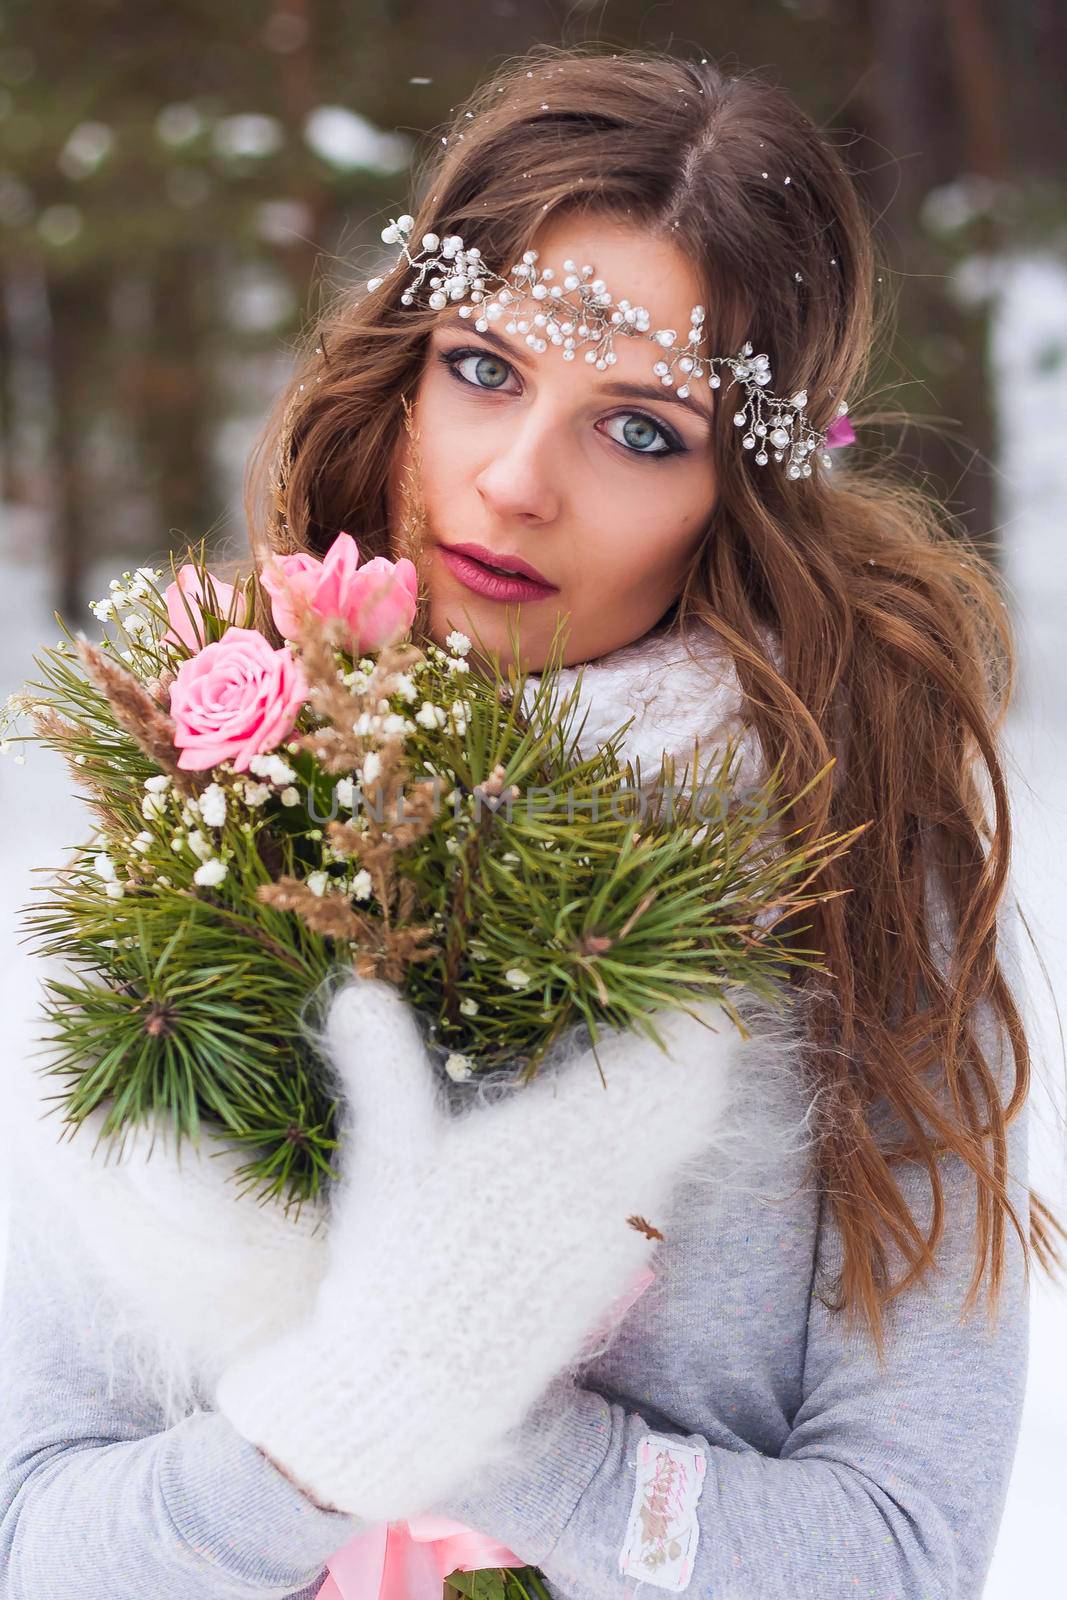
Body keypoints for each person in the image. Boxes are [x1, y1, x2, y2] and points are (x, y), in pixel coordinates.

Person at [2, 42, 1062, 1600]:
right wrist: (325, 1434)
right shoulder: (214, 822)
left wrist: (494, 1427)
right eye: (485, 369)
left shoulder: (855, 889)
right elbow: (40, 1535)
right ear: (406, 367)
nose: (513, 483)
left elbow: (905, 1553)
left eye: (641, 430)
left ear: (741, 493)